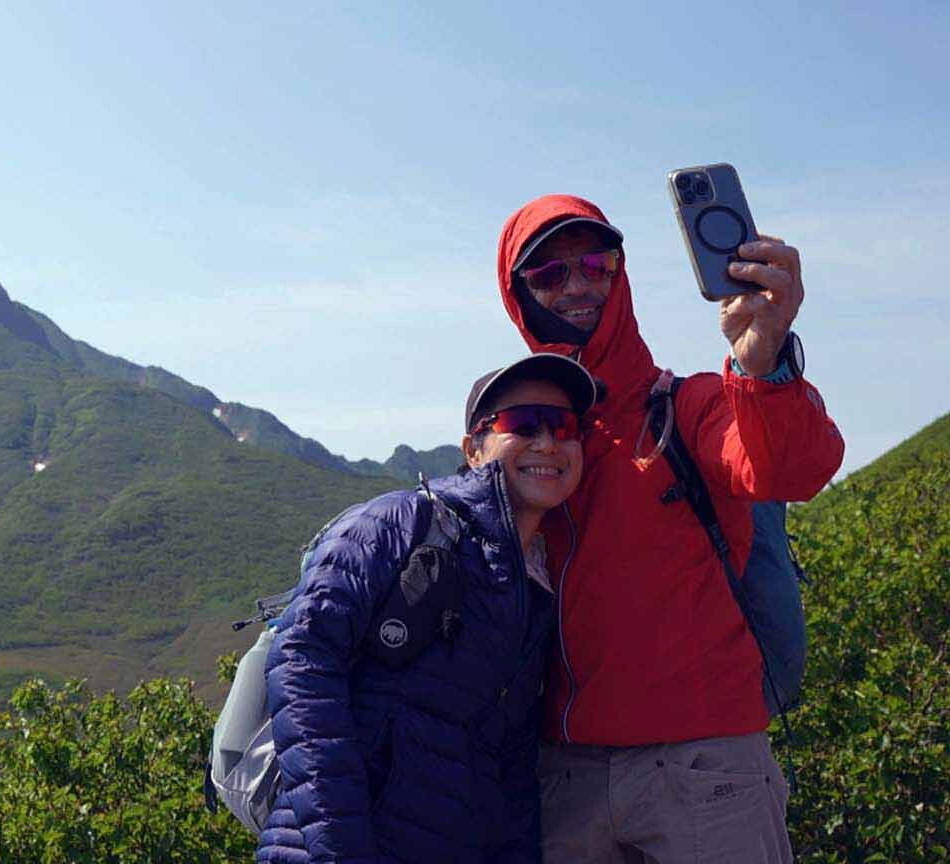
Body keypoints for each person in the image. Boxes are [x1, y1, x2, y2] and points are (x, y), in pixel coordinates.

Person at [494, 194, 845, 862]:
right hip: (565, 776)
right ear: (518, 296)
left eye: (596, 262)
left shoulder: (693, 404)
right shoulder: (528, 444)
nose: (578, 285)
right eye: (548, 274)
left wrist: (763, 360)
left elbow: (790, 472)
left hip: (707, 770)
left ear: (620, 273)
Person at [256, 353, 596, 864]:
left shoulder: (538, 588)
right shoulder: (399, 522)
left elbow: (512, 766)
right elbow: (301, 664)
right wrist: (341, 849)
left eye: (564, 426)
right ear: (474, 449)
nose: (546, 442)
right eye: (521, 424)